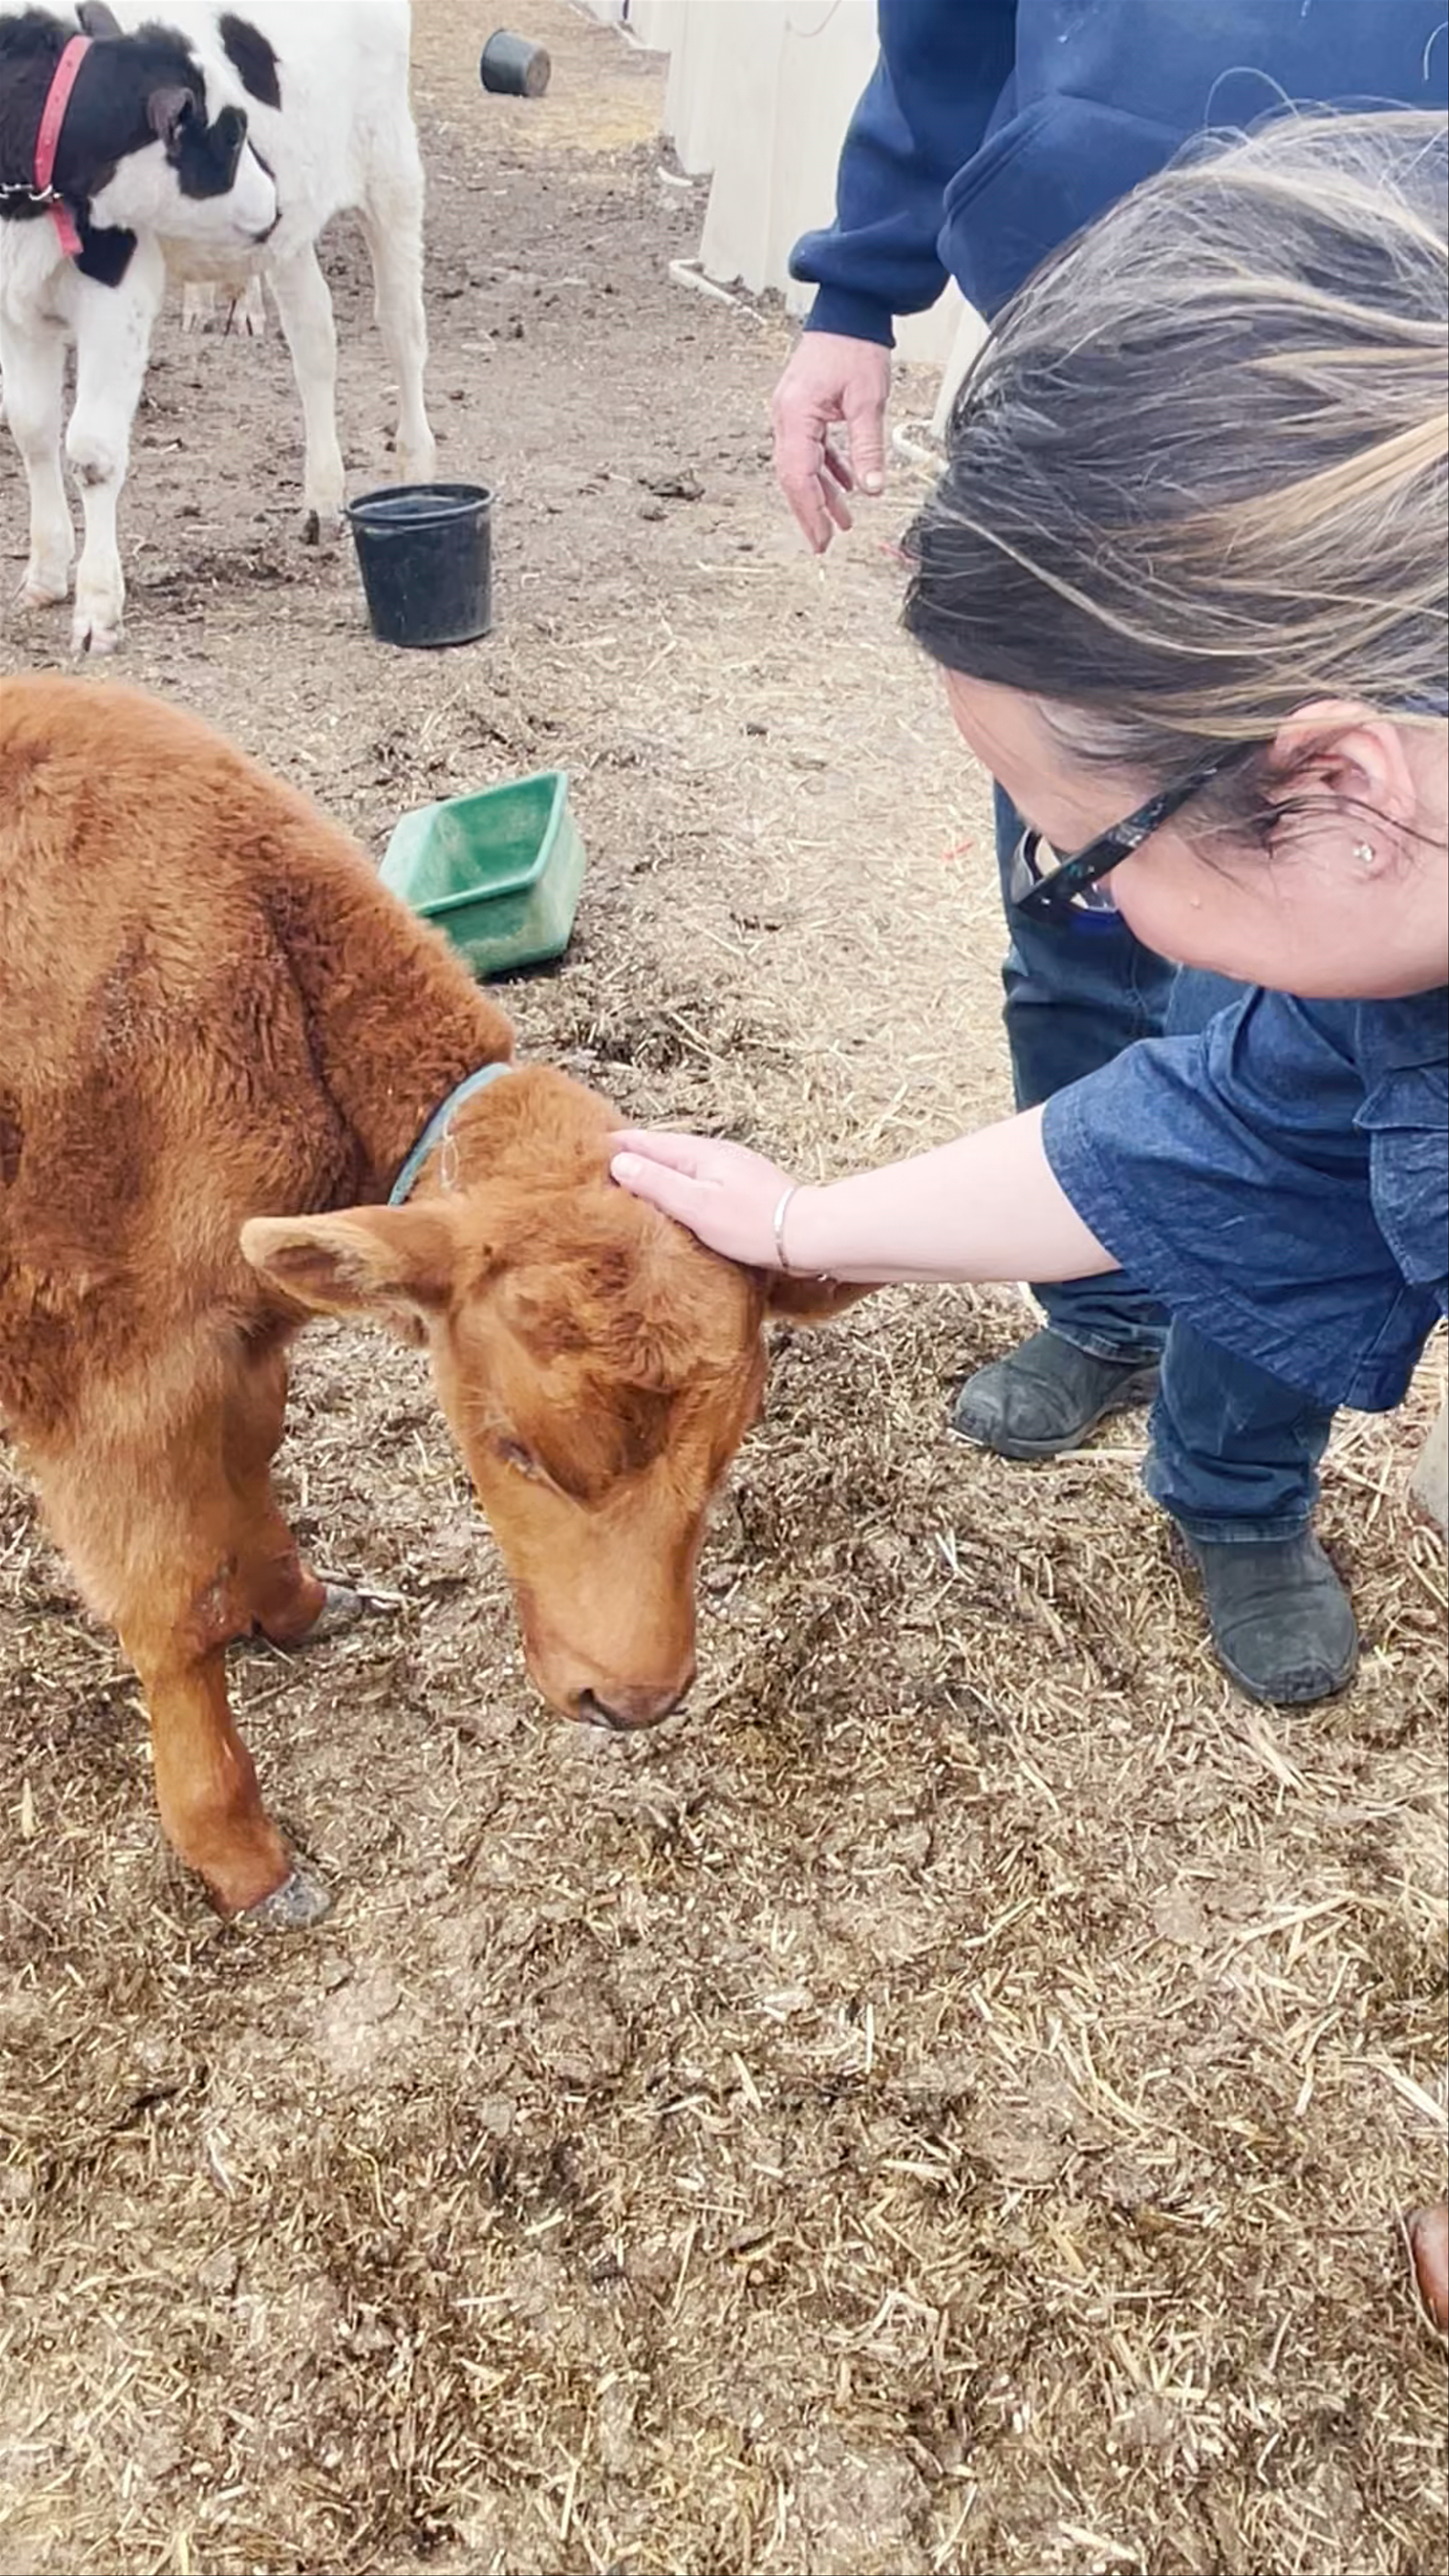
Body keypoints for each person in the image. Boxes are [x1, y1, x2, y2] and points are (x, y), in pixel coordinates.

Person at [769, 1, 1449, 1709]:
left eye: (1082, 855)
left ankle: (1236, 1479)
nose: (1067, 886)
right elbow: (1246, 1121)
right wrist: (795, 1219)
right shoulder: (1394, 948)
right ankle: (1105, 1318)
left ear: (1343, 795)